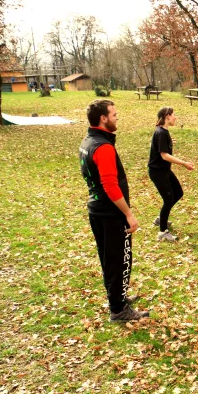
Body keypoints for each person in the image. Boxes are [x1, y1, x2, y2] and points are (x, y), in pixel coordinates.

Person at [79, 100, 148, 322]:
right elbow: (110, 185)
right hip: (110, 214)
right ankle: (118, 310)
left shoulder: (88, 141)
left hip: (97, 210)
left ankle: (117, 298)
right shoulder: (104, 147)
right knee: (119, 259)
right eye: (114, 114)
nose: (117, 118)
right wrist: (128, 214)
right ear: (103, 118)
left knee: (109, 258)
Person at [148, 106, 194, 242]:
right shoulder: (161, 132)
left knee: (178, 193)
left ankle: (162, 218)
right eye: (173, 115)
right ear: (167, 116)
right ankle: (162, 232)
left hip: (164, 170)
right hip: (157, 172)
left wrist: (169, 143)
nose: (175, 117)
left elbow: (160, 146)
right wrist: (184, 163)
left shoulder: (164, 132)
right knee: (168, 199)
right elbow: (164, 156)